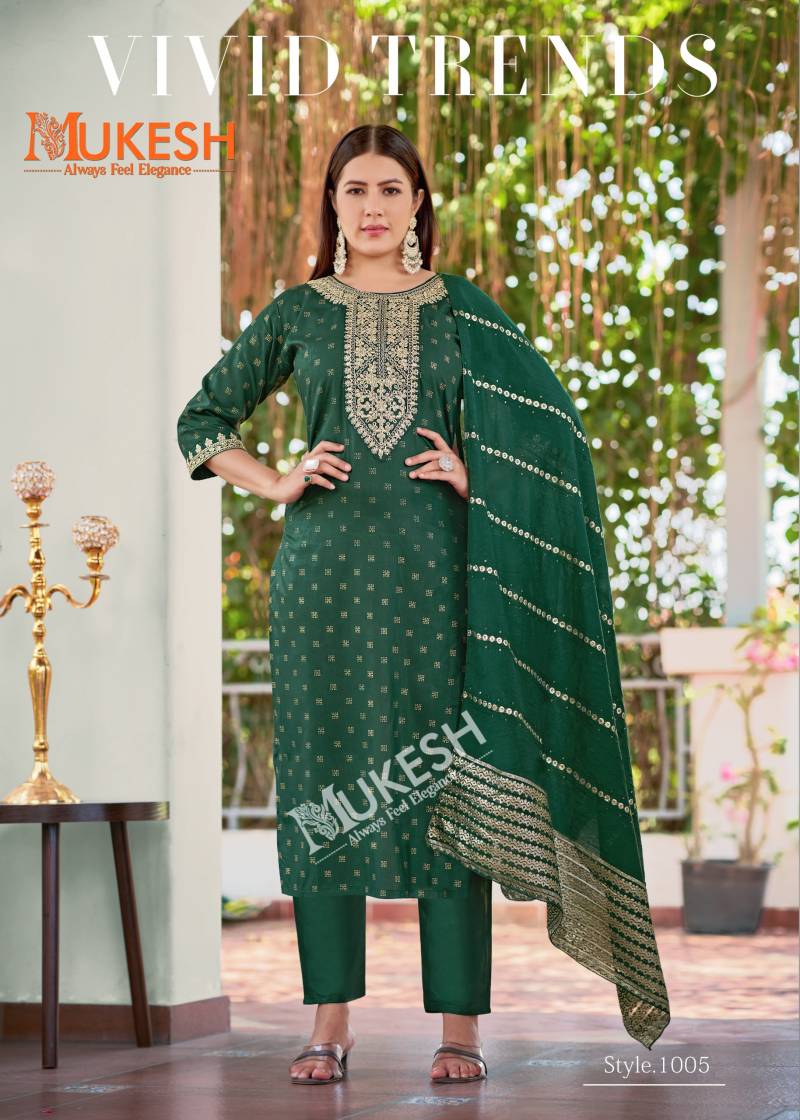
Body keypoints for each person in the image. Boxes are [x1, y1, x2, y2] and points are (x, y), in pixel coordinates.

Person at [177, 124, 671, 1086]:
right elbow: (204, 418)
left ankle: (460, 1027)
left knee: (450, 789)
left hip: (443, 582)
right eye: (354, 189)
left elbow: (553, 441)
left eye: (390, 189)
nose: (372, 207)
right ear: (332, 204)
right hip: (322, 585)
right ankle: (329, 1021)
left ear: (417, 204)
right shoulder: (298, 313)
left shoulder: (462, 313)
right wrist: (275, 480)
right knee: (323, 789)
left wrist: (479, 477)